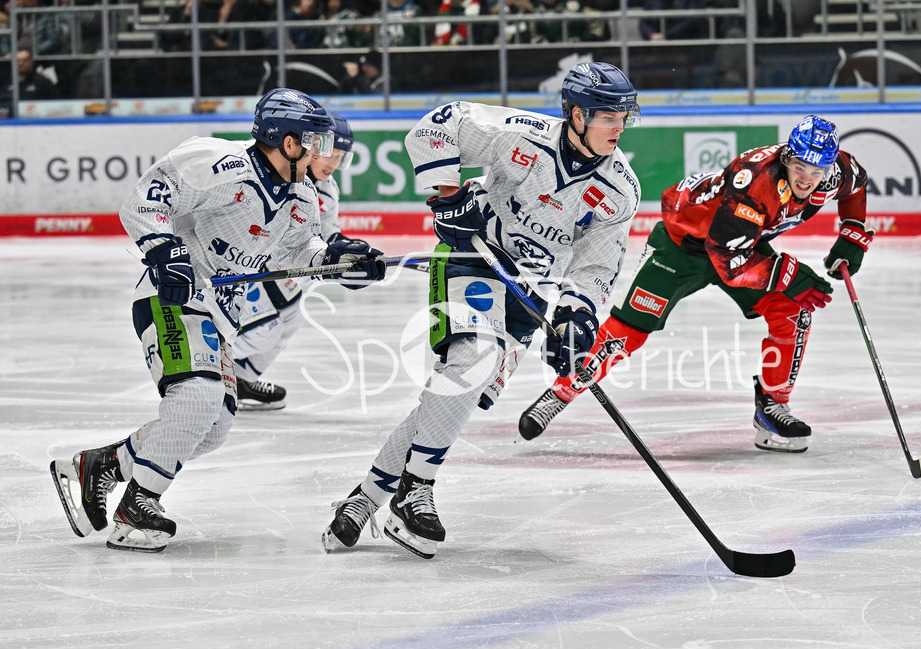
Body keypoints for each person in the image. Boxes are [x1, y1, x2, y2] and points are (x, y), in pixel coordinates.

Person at [322, 61, 642, 559]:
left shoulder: (621, 189)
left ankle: (365, 498)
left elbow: (596, 265)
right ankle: (414, 492)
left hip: (531, 292)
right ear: (577, 115)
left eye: (624, 118)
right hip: (474, 257)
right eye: (608, 118)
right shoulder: (521, 134)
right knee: (473, 360)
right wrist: (449, 197)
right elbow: (436, 127)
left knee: (456, 396)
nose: (618, 128)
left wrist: (576, 315)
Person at [49, 89, 386, 553]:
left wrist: (337, 261)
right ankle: (137, 506)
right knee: (197, 398)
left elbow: (297, 252)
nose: (321, 153)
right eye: (315, 142)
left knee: (212, 427)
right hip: (171, 300)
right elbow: (147, 199)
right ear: (288, 142)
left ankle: (101, 465)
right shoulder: (222, 165)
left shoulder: (302, 197)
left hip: (219, 317)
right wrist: (163, 249)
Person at [519, 115, 872, 454]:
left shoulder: (836, 173)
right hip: (683, 246)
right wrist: (789, 275)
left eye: (817, 171)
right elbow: (730, 262)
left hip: (740, 244)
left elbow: (856, 185)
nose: (807, 179)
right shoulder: (755, 181)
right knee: (627, 331)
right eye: (799, 167)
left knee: (792, 312)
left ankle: (772, 406)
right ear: (786, 158)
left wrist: (853, 232)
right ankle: (561, 392)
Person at [233, 112, 385, 410]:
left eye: (341, 157)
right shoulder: (272, 169)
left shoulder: (326, 189)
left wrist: (352, 253)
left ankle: (240, 380)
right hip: (245, 259)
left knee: (291, 318)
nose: (334, 163)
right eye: (330, 153)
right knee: (264, 329)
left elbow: (327, 236)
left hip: (276, 263)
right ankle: (206, 372)